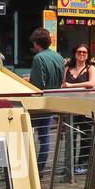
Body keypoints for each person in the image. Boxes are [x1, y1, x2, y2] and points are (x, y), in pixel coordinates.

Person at [28, 29, 65, 174]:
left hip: (39, 102)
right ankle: (40, 168)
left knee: (28, 134)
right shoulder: (58, 56)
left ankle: (29, 168)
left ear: (36, 43)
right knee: (45, 136)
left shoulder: (38, 58)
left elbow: (37, 84)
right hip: (53, 100)